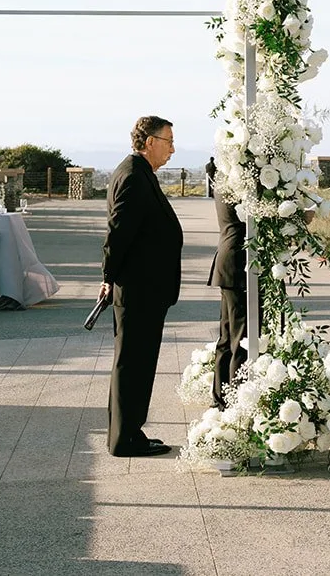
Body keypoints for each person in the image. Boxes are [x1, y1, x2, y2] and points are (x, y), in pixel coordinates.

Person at [100, 115, 184, 457]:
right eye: (168, 141)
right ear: (149, 141)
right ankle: (125, 439)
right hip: (139, 289)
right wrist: (108, 278)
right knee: (133, 363)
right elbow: (118, 234)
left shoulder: (139, 172)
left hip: (145, 287)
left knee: (136, 363)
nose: (173, 149)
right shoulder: (134, 176)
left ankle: (129, 431)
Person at [209, 185, 248, 405]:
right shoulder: (239, 182)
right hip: (238, 264)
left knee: (226, 333)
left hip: (228, 262)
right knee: (241, 334)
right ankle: (236, 397)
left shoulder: (224, 180)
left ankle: (220, 395)